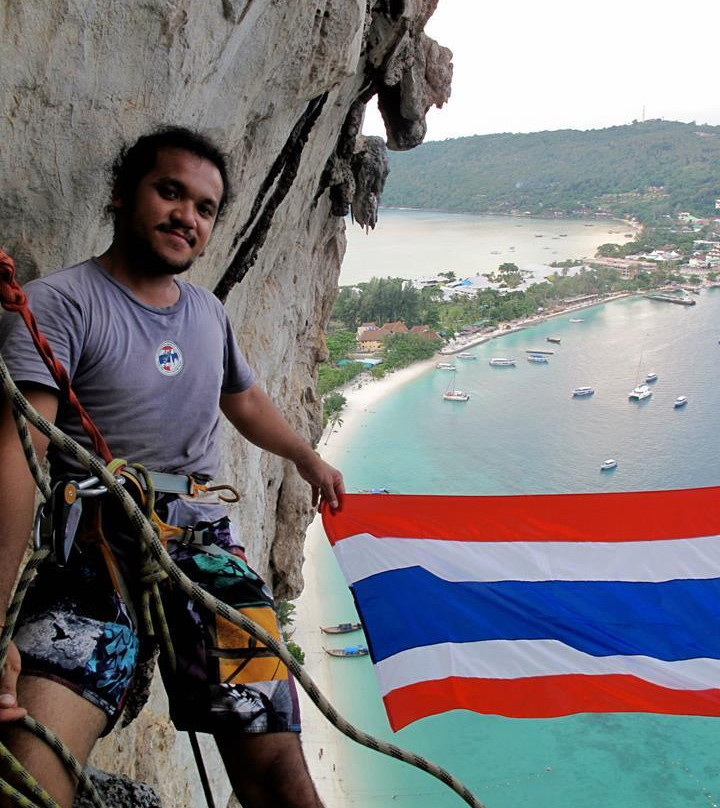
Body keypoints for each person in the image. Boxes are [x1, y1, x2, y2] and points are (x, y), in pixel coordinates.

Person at [0, 126, 344, 808]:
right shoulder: (60, 304)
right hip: (92, 548)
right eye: (170, 192)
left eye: (206, 207)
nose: (188, 215)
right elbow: (18, 453)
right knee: (30, 783)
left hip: (202, 543)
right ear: (125, 196)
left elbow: (242, 397)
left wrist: (304, 454)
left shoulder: (207, 314)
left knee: (281, 773)